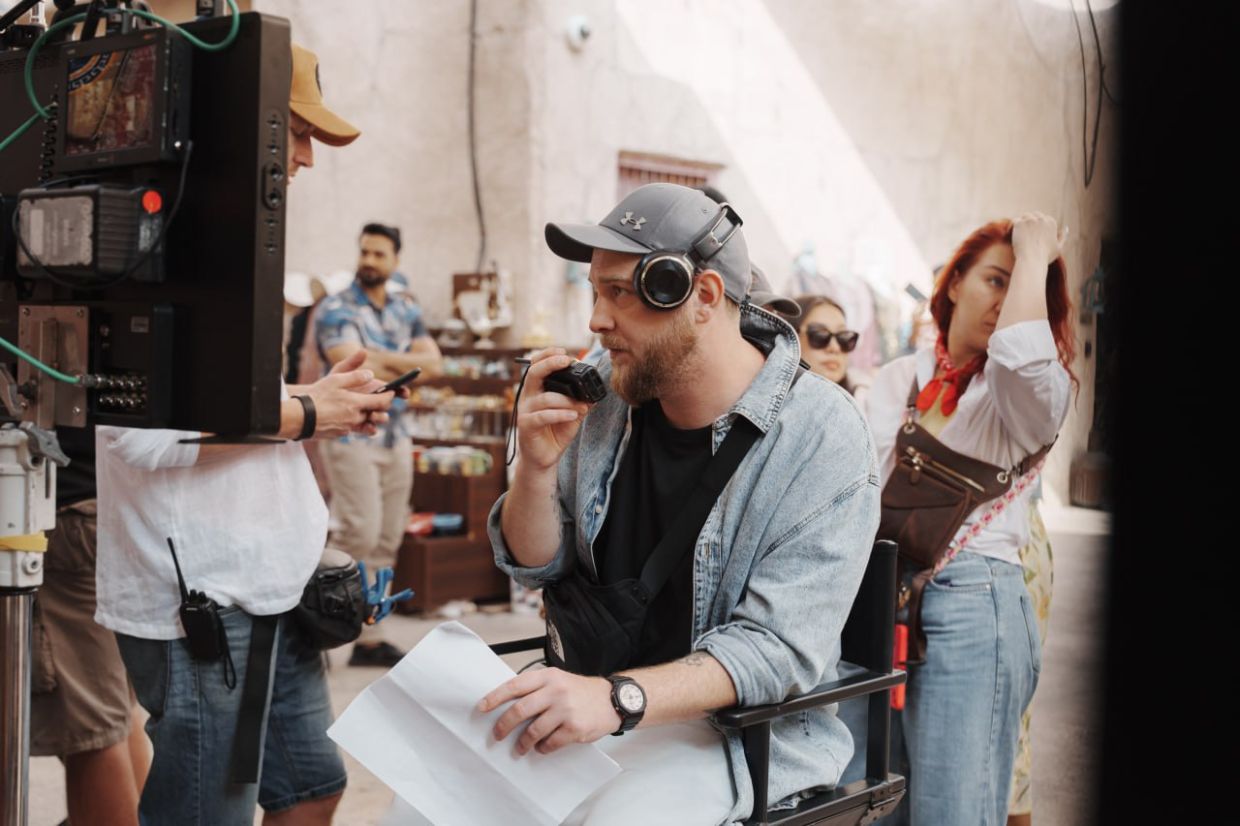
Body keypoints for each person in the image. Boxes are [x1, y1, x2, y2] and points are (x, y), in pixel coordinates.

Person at [480, 183, 880, 824]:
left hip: (731, 732)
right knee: (427, 799)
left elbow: (774, 649)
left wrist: (615, 699)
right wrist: (535, 467)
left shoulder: (821, 433)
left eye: (619, 293)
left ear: (703, 296)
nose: (596, 320)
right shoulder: (603, 392)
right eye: (594, 291)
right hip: (591, 694)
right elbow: (536, 566)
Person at [94, 43, 393, 826]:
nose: (307, 157)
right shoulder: (148, 243)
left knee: (313, 791)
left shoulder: (235, 244)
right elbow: (139, 431)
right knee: (206, 815)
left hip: (272, 590)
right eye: (296, 131)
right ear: (237, 122)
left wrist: (317, 398)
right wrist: (308, 413)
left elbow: (226, 396)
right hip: (203, 601)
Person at [865, 213, 1076, 825]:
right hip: (882, 601)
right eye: (995, 280)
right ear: (955, 282)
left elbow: (1021, 359)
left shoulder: (1028, 391)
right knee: (875, 806)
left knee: (952, 813)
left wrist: (1035, 251)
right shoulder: (897, 378)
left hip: (972, 600)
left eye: (1023, 287)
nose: (1006, 301)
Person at [316, 222, 443, 667]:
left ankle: (371, 637)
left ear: (395, 260)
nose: (369, 260)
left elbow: (435, 365)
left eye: (378, 254)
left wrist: (380, 358)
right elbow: (349, 363)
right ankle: (319, 631)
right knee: (359, 533)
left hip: (396, 435)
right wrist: (407, 364)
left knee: (387, 539)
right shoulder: (336, 307)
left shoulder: (406, 308)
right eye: (364, 251)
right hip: (351, 432)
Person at [788, 294, 870, 408]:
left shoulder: (866, 405)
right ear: (790, 338)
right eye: (820, 335)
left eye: (844, 337)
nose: (835, 348)